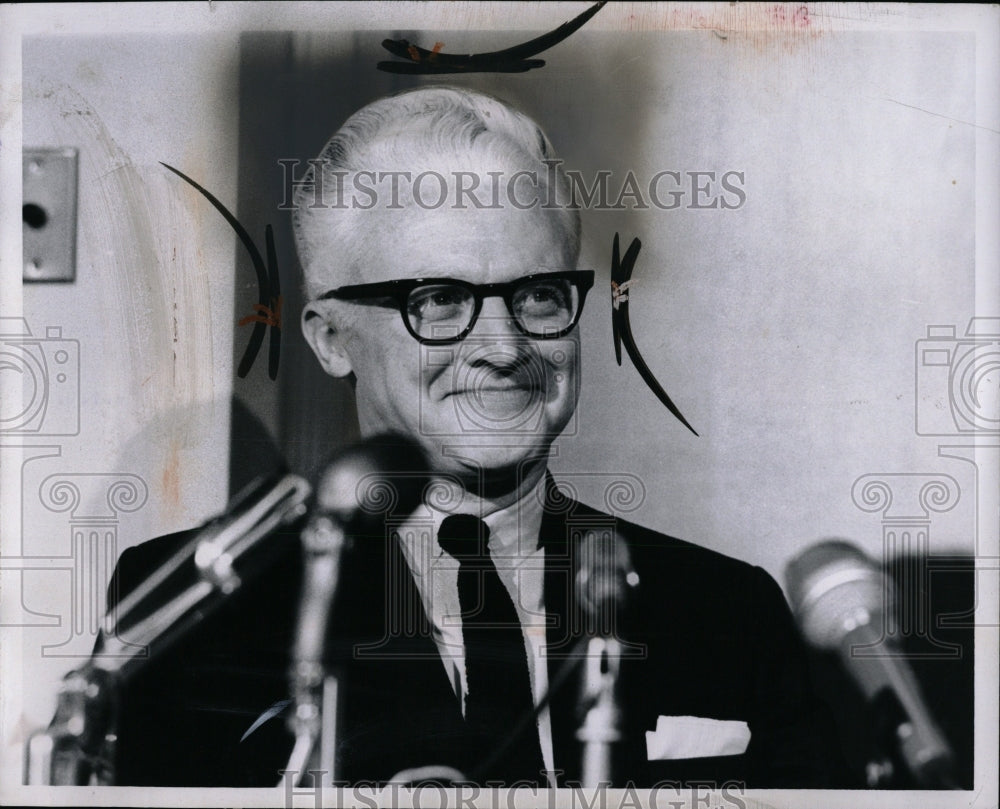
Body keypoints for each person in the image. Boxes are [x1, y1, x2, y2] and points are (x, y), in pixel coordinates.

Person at [101, 86, 844, 788]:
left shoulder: (728, 610)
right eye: (442, 298)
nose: (504, 344)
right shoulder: (192, 613)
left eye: (539, 294)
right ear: (332, 339)